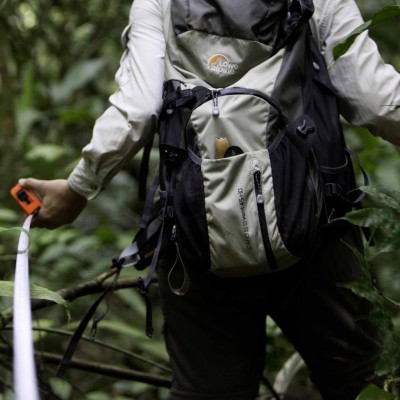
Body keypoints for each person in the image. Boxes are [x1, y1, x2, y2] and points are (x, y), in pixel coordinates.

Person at [19, 0, 400, 399]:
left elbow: (136, 111)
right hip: (317, 234)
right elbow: (379, 102)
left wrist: (77, 189)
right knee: (362, 383)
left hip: (195, 243)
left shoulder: (158, 4)